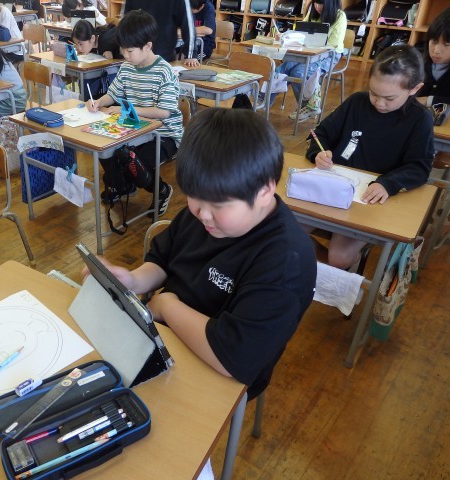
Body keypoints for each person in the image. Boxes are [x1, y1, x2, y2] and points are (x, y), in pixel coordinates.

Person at [86, 108, 316, 462]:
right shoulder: (206, 213)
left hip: (217, 372)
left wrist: (167, 306)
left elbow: (232, 359)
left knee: (148, 452)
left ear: (265, 191)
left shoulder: (286, 260)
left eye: (217, 205)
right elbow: (162, 259)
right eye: (194, 198)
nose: (202, 214)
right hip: (163, 340)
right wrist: (132, 280)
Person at [306, 45, 434, 269]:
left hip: (369, 200)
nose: (379, 103)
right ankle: (310, 271)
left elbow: (419, 167)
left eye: (389, 98)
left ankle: (325, 273)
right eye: (374, 93)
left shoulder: (419, 118)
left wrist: (388, 184)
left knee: (339, 257)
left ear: (415, 89)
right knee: (282, 229)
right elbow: (321, 134)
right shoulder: (357, 102)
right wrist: (319, 153)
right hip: (332, 187)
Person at [87, 9, 183, 216]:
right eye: (123, 50)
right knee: (104, 147)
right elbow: (112, 94)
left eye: (130, 51)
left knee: (133, 162)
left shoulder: (164, 71)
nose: (125, 55)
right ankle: (123, 186)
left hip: (164, 134)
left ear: (147, 46)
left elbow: (164, 112)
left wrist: (126, 109)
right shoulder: (127, 67)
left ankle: (161, 190)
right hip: (135, 129)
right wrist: (98, 102)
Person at [271, 0, 347, 122]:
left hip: (329, 55)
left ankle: (309, 107)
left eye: (321, 3)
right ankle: (264, 100)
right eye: (316, 3)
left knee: (299, 73)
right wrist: (285, 35)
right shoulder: (313, 13)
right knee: (282, 69)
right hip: (307, 52)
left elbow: (332, 45)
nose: (318, 7)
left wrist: (310, 48)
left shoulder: (339, 16)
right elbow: (299, 32)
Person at [123, 0, 199, 66]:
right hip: (136, 56)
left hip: (164, 56)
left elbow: (188, 24)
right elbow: (125, 23)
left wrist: (191, 55)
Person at [71, 20, 121, 100]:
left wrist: (114, 53)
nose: (79, 48)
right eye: (76, 44)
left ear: (92, 38)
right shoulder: (93, 43)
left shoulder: (106, 41)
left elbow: (127, 47)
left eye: (80, 44)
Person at [419, 7, 450, 106]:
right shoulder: (416, 63)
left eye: (446, 44)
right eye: (434, 41)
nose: (436, 51)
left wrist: (428, 100)